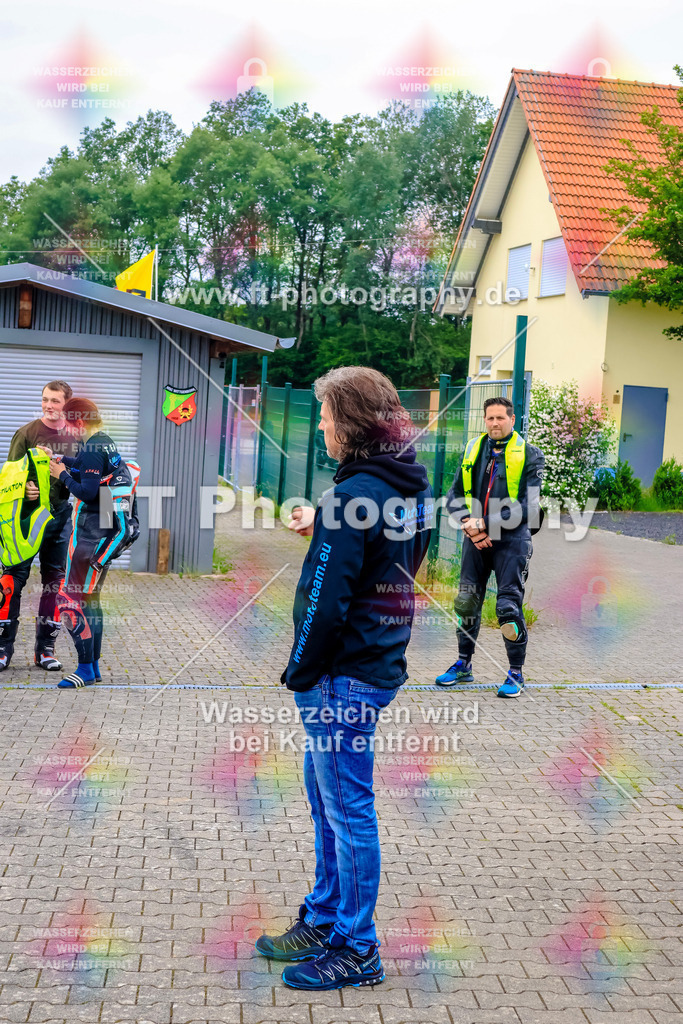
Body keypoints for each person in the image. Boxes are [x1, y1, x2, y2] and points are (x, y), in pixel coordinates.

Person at [255, 366, 433, 991]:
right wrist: (328, 531)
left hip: (341, 677)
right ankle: (327, 917)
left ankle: (359, 950)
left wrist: (301, 672)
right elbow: (397, 558)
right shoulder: (407, 488)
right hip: (376, 664)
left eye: (327, 414)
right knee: (328, 801)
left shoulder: (351, 497)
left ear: (351, 423)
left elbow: (327, 602)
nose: (322, 425)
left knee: (348, 810)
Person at [436, 395, 544, 698]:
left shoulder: (531, 455)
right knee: (466, 602)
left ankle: (515, 673)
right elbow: (454, 496)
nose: (494, 423)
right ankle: (463, 665)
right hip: (475, 539)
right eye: (490, 418)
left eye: (500, 418)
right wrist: (470, 527)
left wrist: (486, 524)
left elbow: (528, 507)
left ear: (512, 419)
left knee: (507, 607)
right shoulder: (474, 449)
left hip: (512, 541)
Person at [0, 380, 80, 672]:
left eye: (55, 401)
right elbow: (7, 479)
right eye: (46, 399)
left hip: (59, 518)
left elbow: (86, 479)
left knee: (55, 585)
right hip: (25, 517)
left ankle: (45, 650)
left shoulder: (76, 438)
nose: (49, 405)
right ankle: (2, 648)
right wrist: (24, 490)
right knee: (11, 581)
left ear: (66, 405)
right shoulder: (26, 433)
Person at [47, 398, 124, 689]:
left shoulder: (91, 447)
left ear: (79, 422)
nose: (68, 430)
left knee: (70, 602)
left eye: (69, 424)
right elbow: (89, 470)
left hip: (89, 538)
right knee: (91, 602)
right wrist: (60, 459)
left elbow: (88, 492)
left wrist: (62, 476)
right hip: (101, 535)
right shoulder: (104, 442)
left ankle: (85, 669)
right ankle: (92, 667)